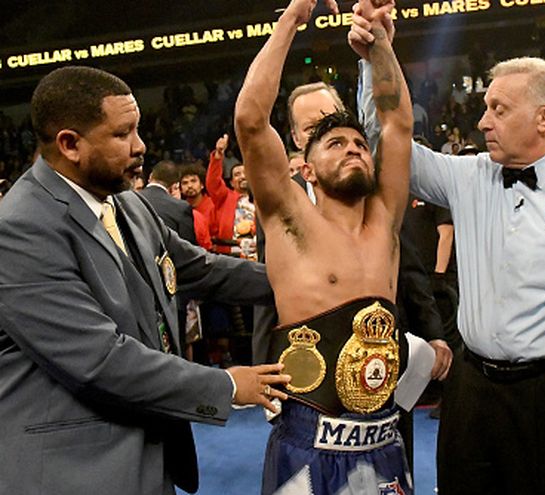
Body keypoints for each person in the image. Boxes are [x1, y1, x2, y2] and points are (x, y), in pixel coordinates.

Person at [355, 30, 545, 492]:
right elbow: (384, 145)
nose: (483, 122)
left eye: (499, 109)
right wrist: (375, 55)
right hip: (470, 387)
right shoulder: (467, 176)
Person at [0, 65, 291, 495]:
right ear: (70, 144)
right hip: (74, 471)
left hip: (148, 453)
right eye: (123, 134)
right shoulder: (20, 227)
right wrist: (228, 385)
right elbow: (100, 360)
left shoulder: (127, 204)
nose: (141, 146)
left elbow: (203, 270)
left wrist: (308, 283)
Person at [234, 0, 419, 492]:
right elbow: (251, 120)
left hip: (383, 437)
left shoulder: (385, 220)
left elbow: (397, 124)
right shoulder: (290, 218)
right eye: (335, 144)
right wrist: (291, 18)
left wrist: (380, 42)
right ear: (307, 169)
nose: (353, 148)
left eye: (359, 144)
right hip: (308, 439)